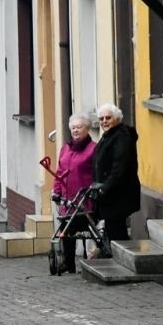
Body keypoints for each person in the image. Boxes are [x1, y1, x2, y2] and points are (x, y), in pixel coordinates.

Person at [91, 102, 140, 248]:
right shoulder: (109, 136)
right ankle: (118, 258)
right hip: (110, 194)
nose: (104, 121)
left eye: (108, 118)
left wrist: (105, 188)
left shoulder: (121, 137)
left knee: (117, 232)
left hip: (118, 193)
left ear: (117, 119)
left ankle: (121, 261)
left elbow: (120, 167)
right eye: (101, 119)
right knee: (113, 229)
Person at [53, 112, 99, 267]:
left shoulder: (93, 149)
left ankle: (90, 258)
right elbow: (59, 172)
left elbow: (97, 174)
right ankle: (68, 262)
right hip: (67, 199)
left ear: (87, 129)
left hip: (84, 200)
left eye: (79, 127)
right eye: (73, 128)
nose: (75, 130)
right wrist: (56, 191)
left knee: (83, 229)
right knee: (66, 229)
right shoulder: (65, 149)